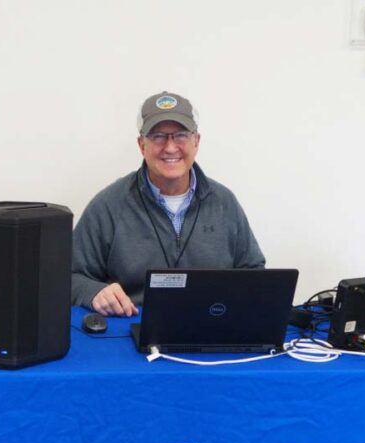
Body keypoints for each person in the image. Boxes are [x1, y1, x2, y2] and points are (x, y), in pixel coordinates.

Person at [71, 91, 265, 316]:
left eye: (181, 135)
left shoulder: (224, 203)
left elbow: (254, 272)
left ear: (196, 142)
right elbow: (68, 277)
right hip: (130, 327)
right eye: (158, 136)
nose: (170, 147)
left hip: (211, 325)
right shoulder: (108, 205)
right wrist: (94, 291)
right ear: (141, 144)